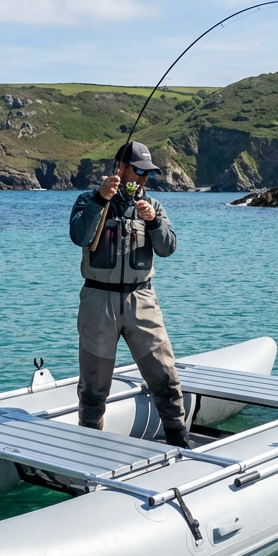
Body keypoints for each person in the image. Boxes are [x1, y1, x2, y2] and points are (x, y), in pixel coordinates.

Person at [68, 140, 190, 447]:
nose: (144, 180)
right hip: (98, 302)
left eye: (148, 174)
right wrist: (100, 199)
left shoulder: (155, 207)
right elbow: (78, 235)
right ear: (120, 169)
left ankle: (179, 440)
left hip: (142, 301)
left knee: (165, 376)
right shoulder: (87, 200)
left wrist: (153, 221)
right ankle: (90, 446)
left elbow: (168, 248)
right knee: (94, 387)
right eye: (139, 171)